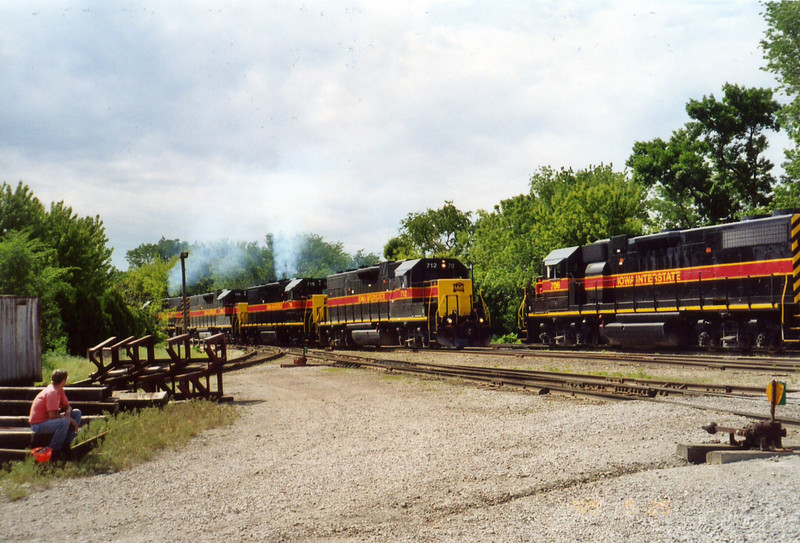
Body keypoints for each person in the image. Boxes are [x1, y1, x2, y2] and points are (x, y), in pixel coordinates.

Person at [28, 369, 82, 459]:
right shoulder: (51, 392)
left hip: (48, 421)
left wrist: (68, 413)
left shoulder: (60, 390)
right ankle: (54, 450)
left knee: (77, 413)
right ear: (64, 380)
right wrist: (69, 419)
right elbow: (52, 415)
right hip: (38, 425)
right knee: (64, 422)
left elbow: (68, 406)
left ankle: (66, 444)